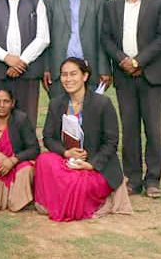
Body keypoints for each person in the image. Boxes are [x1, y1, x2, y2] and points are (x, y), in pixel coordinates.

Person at [101, 0, 161, 198]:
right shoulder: (112, 6)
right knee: (129, 130)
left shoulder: (159, 3)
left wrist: (138, 62)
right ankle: (133, 179)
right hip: (124, 77)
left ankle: (153, 180)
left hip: (152, 76)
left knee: (154, 130)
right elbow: (106, 38)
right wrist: (123, 60)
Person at [35, 58, 132, 221]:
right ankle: (60, 199)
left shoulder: (102, 103)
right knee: (44, 160)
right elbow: (48, 138)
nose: (68, 79)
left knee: (75, 181)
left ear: (85, 76)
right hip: (68, 160)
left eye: (73, 74)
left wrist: (91, 164)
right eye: (64, 75)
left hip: (95, 164)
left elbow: (111, 142)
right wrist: (66, 153)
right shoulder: (56, 103)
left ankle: (74, 202)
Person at [43, 0, 110, 98]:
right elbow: (45, 37)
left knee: (90, 111)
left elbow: (102, 38)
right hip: (59, 70)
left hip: (89, 70)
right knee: (61, 110)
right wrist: (46, 68)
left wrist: (104, 69)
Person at [0, 89, 39, 212]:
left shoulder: (21, 119)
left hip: (17, 163)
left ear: (12, 103)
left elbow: (34, 148)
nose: (2, 105)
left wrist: (14, 160)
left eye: (6, 101)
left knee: (27, 168)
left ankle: (17, 201)